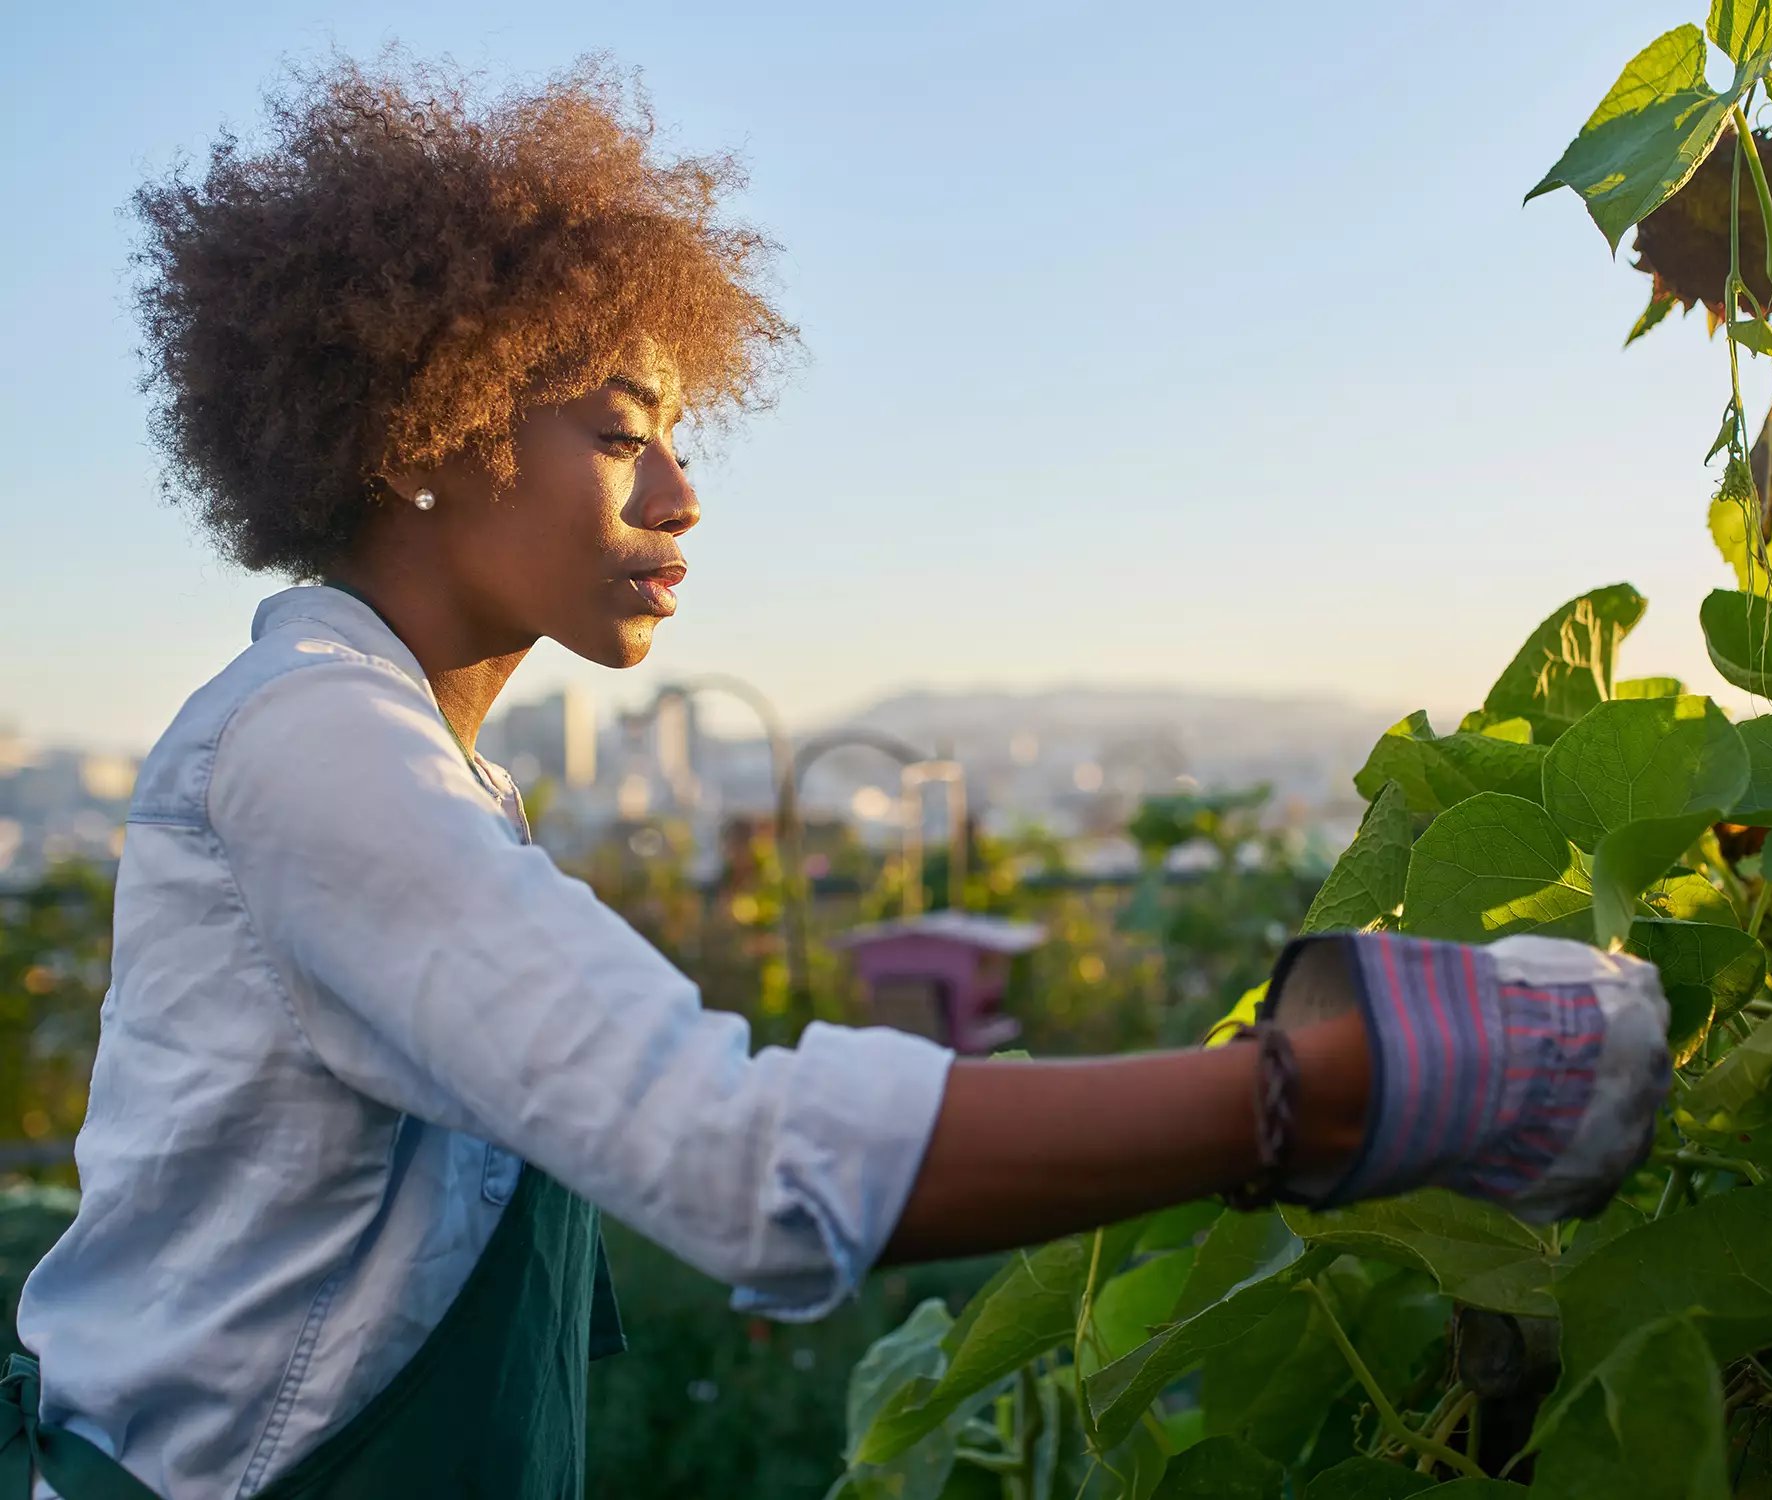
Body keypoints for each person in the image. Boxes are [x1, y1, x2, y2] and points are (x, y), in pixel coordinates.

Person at [0, 54, 1672, 1500]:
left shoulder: (391, 753)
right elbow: (740, 1164)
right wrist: (1337, 1086)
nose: (683, 494)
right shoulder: (318, 747)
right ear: (432, 429)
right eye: (618, 432)